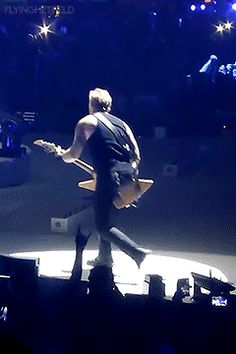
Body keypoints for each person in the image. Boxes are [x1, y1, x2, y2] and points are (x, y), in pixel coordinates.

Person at [58, 88, 150, 268]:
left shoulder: (87, 122)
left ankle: (136, 252)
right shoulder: (122, 124)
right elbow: (136, 154)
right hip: (128, 175)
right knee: (105, 214)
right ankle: (105, 258)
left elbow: (74, 154)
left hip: (109, 176)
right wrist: (129, 174)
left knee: (102, 225)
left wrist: (62, 155)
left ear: (91, 103)